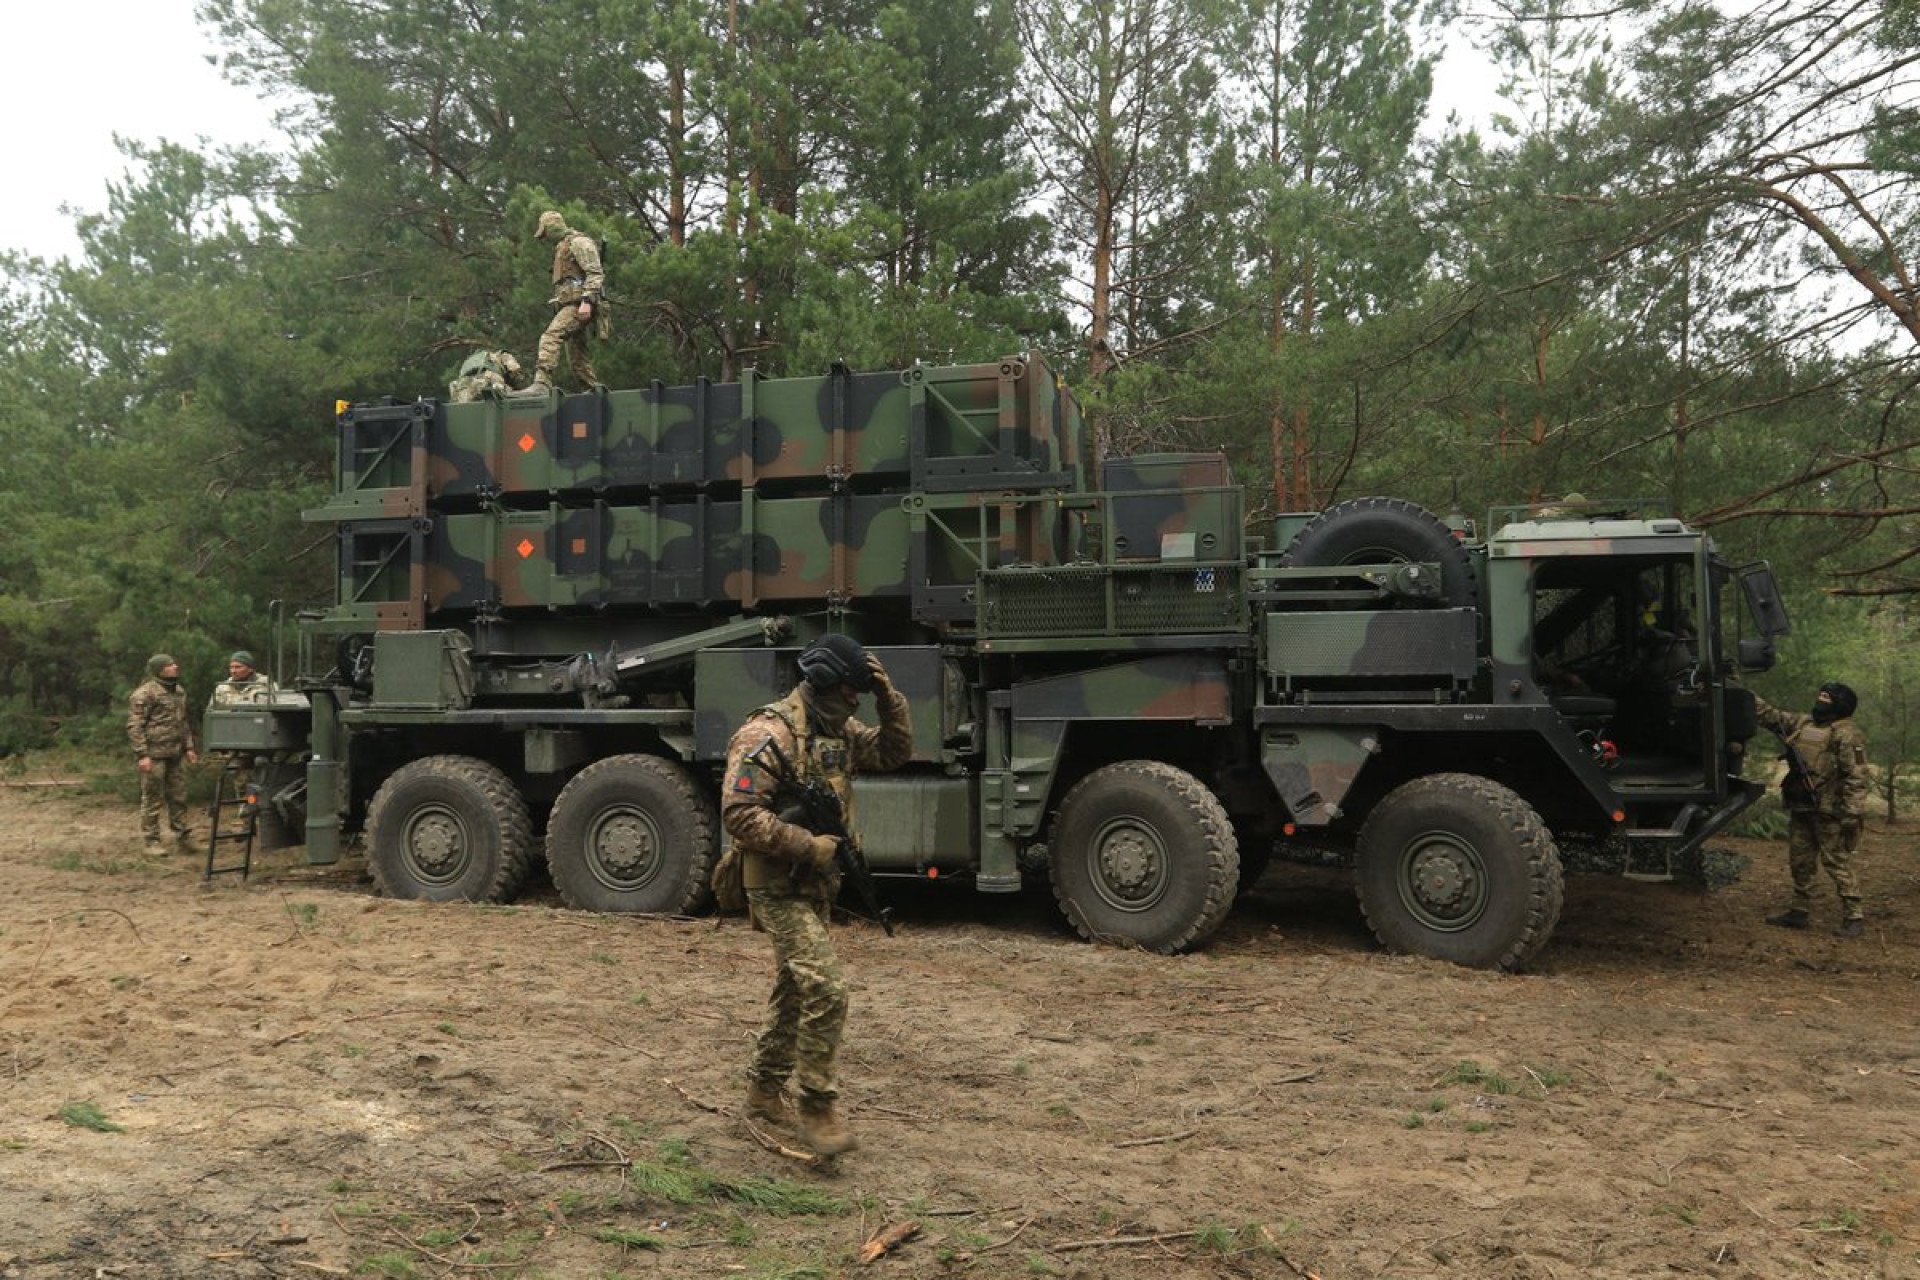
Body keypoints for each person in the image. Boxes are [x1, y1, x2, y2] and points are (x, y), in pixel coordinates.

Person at [720, 634, 912, 1156]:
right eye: (852, 691)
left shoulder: (838, 731)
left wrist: (888, 698)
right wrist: (808, 845)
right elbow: (738, 816)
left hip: (814, 883)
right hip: (776, 884)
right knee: (827, 988)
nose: (856, 702)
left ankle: (763, 1089)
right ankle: (817, 1107)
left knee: (795, 987)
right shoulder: (767, 733)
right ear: (825, 684)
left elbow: (894, 752)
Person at [1755, 682, 1869, 937]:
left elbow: (1857, 775)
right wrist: (1739, 691)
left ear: (1840, 704)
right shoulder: (1802, 724)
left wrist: (1852, 812)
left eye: (1826, 698)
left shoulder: (1847, 734)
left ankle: (1854, 915)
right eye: (1819, 695)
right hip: (1802, 805)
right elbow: (1769, 715)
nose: (1820, 700)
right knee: (1800, 860)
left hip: (1830, 810)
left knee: (1836, 861)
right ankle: (1799, 910)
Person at [127, 654, 200, 852]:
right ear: (159, 670)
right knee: (152, 797)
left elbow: (182, 721)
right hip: (154, 754)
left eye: (174, 663)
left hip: (175, 753)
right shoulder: (144, 694)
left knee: (179, 796)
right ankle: (152, 840)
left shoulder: (178, 691)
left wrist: (189, 747)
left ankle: (183, 836)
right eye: (169, 665)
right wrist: (142, 755)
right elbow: (135, 726)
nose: (175, 667)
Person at [532, 210, 605, 392]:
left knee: (551, 337)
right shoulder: (563, 246)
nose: (546, 237)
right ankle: (594, 391)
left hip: (579, 305)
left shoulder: (579, 242)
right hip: (572, 304)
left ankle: (542, 383)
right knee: (577, 356)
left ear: (552, 227)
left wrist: (587, 301)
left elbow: (595, 273)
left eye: (546, 232)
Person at [209, 651, 275, 804]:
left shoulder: (265, 684)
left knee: (264, 775)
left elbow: (272, 710)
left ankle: (264, 810)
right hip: (236, 741)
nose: (233, 670)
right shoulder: (222, 688)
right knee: (240, 778)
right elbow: (213, 713)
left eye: (238, 667)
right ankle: (246, 810)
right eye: (231, 667)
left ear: (250, 668)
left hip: (262, 740)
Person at [446, 349, 531, 402]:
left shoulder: (469, 361)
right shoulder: (503, 355)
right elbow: (515, 372)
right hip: (488, 379)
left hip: (462, 387)